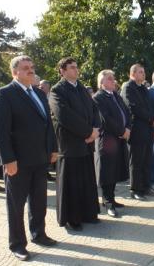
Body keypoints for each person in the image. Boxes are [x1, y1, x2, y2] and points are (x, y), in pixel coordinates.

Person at [0, 55, 58, 261]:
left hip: (40, 159)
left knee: (39, 200)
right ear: (14, 72)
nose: (30, 70)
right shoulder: (5, 94)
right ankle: (17, 244)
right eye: (25, 67)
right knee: (16, 204)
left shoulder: (38, 92)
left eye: (32, 67)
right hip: (17, 161)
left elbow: (48, 125)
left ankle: (39, 233)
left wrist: (52, 148)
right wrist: (7, 160)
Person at [49, 57, 101, 230]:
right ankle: (73, 218)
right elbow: (64, 116)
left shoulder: (81, 88)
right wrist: (88, 132)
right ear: (62, 71)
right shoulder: (57, 90)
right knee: (72, 183)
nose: (76, 70)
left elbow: (94, 110)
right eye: (72, 68)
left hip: (86, 143)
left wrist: (95, 130)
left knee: (86, 181)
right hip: (70, 144)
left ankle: (88, 213)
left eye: (76, 67)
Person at [93, 70, 131, 218]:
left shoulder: (116, 95)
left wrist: (127, 128)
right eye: (110, 79)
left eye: (113, 78)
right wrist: (122, 131)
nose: (113, 81)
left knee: (115, 170)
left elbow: (126, 113)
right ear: (102, 83)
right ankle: (107, 202)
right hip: (107, 140)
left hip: (120, 138)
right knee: (107, 172)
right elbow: (105, 119)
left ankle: (112, 199)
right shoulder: (98, 98)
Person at [121, 64, 154, 200]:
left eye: (144, 72)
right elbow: (133, 108)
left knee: (147, 160)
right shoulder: (128, 87)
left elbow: (150, 107)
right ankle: (135, 189)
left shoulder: (143, 88)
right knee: (136, 161)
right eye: (141, 72)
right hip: (137, 130)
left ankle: (146, 186)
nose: (143, 74)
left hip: (148, 129)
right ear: (133, 74)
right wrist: (151, 118)